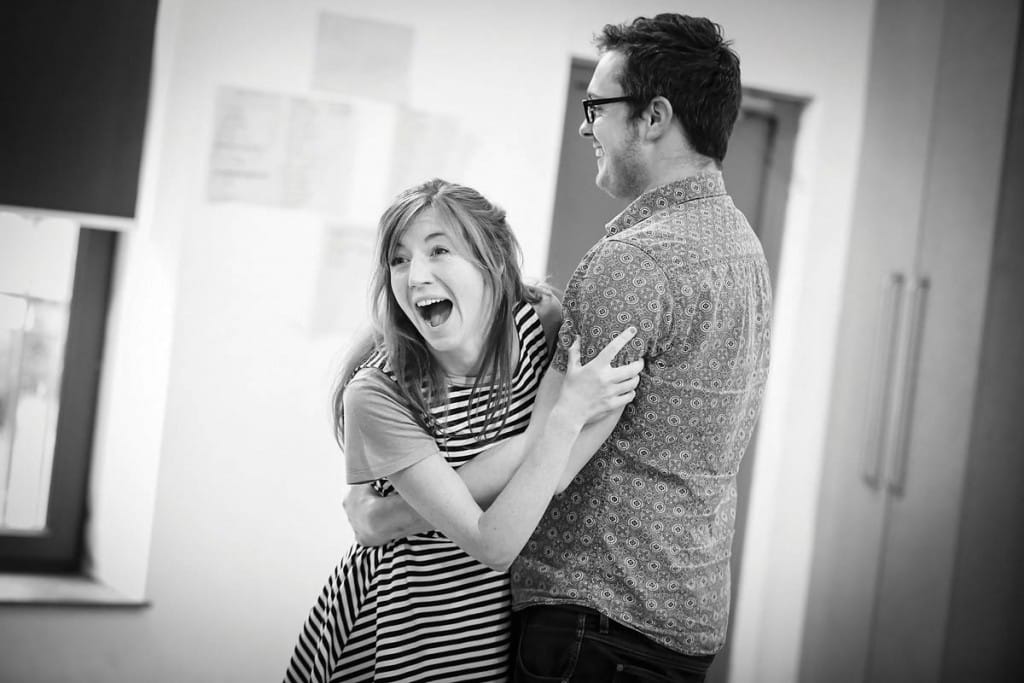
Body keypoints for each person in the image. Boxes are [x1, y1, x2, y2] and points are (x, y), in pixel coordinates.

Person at [283, 178, 643, 683]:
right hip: (400, 627)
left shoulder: (540, 325)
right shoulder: (379, 393)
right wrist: (562, 417)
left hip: (493, 628)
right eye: (399, 259)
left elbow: (554, 475)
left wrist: (388, 516)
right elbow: (492, 542)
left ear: (490, 260)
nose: (415, 276)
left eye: (439, 250)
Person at [508, 14, 772, 681]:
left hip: (594, 622)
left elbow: (553, 460)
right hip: (683, 620)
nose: (584, 125)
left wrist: (406, 490)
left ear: (653, 116)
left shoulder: (634, 259)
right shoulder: (743, 248)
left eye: (596, 106)